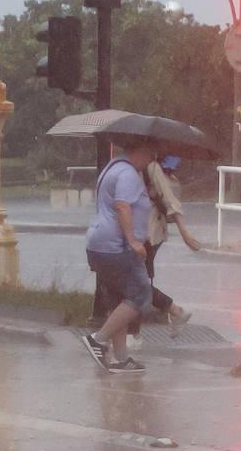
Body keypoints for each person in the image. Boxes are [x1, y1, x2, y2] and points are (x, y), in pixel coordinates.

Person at [80, 138, 157, 373]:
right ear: (139, 150)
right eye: (150, 153)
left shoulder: (113, 168)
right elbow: (123, 206)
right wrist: (133, 241)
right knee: (140, 294)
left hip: (100, 243)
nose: (152, 159)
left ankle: (121, 359)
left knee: (120, 300)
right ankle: (98, 339)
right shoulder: (127, 174)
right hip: (116, 246)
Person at [141, 154, 202, 337]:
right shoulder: (137, 166)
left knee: (135, 284)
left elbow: (170, 200)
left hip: (149, 233)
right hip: (139, 232)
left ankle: (174, 312)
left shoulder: (151, 167)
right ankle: (172, 313)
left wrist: (184, 233)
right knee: (136, 283)